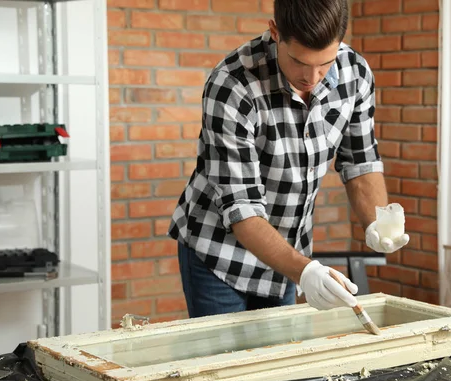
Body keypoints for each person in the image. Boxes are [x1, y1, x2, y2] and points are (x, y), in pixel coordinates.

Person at [167, 0, 409, 318]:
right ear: (275, 32)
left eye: (325, 63)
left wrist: (376, 222)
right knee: (229, 365)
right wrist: (306, 271)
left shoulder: (355, 73)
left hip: (287, 258)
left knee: (282, 361)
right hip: (219, 255)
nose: (313, 77)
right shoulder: (233, 84)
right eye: (298, 61)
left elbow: (360, 161)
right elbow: (242, 208)